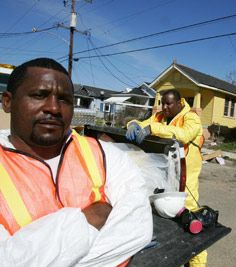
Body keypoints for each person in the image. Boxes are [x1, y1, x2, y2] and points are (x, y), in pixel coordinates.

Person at [0, 58, 152, 266]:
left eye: (64, 99)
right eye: (39, 95)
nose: (53, 107)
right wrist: (88, 220)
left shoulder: (105, 154)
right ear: (7, 102)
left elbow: (137, 229)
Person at [126, 89, 207, 267]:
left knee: (192, 225)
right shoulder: (161, 116)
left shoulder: (191, 118)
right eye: (163, 103)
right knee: (168, 222)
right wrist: (133, 124)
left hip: (186, 180)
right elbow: (142, 123)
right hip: (167, 175)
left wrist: (152, 128)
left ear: (179, 103)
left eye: (169, 103)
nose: (164, 107)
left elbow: (184, 135)